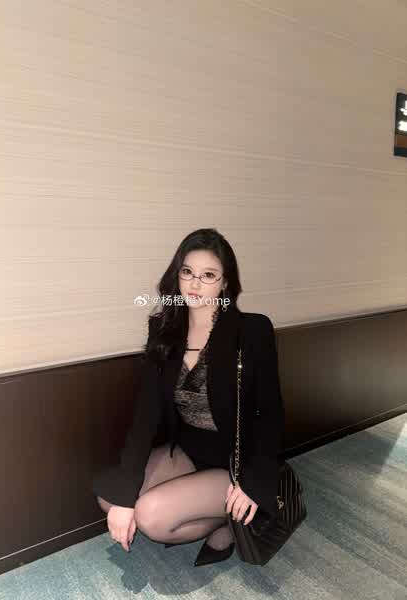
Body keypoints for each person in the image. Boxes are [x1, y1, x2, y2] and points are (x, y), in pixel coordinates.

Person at [92, 228, 285, 567]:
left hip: (236, 461)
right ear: (177, 275)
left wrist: (253, 481)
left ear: (225, 283)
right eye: (187, 272)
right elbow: (145, 415)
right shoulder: (165, 331)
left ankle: (228, 521)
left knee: (150, 517)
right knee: (112, 499)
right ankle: (217, 511)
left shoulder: (252, 330)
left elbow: (271, 414)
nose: (195, 284)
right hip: (188, 449)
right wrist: (124, 498)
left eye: (208, 275)